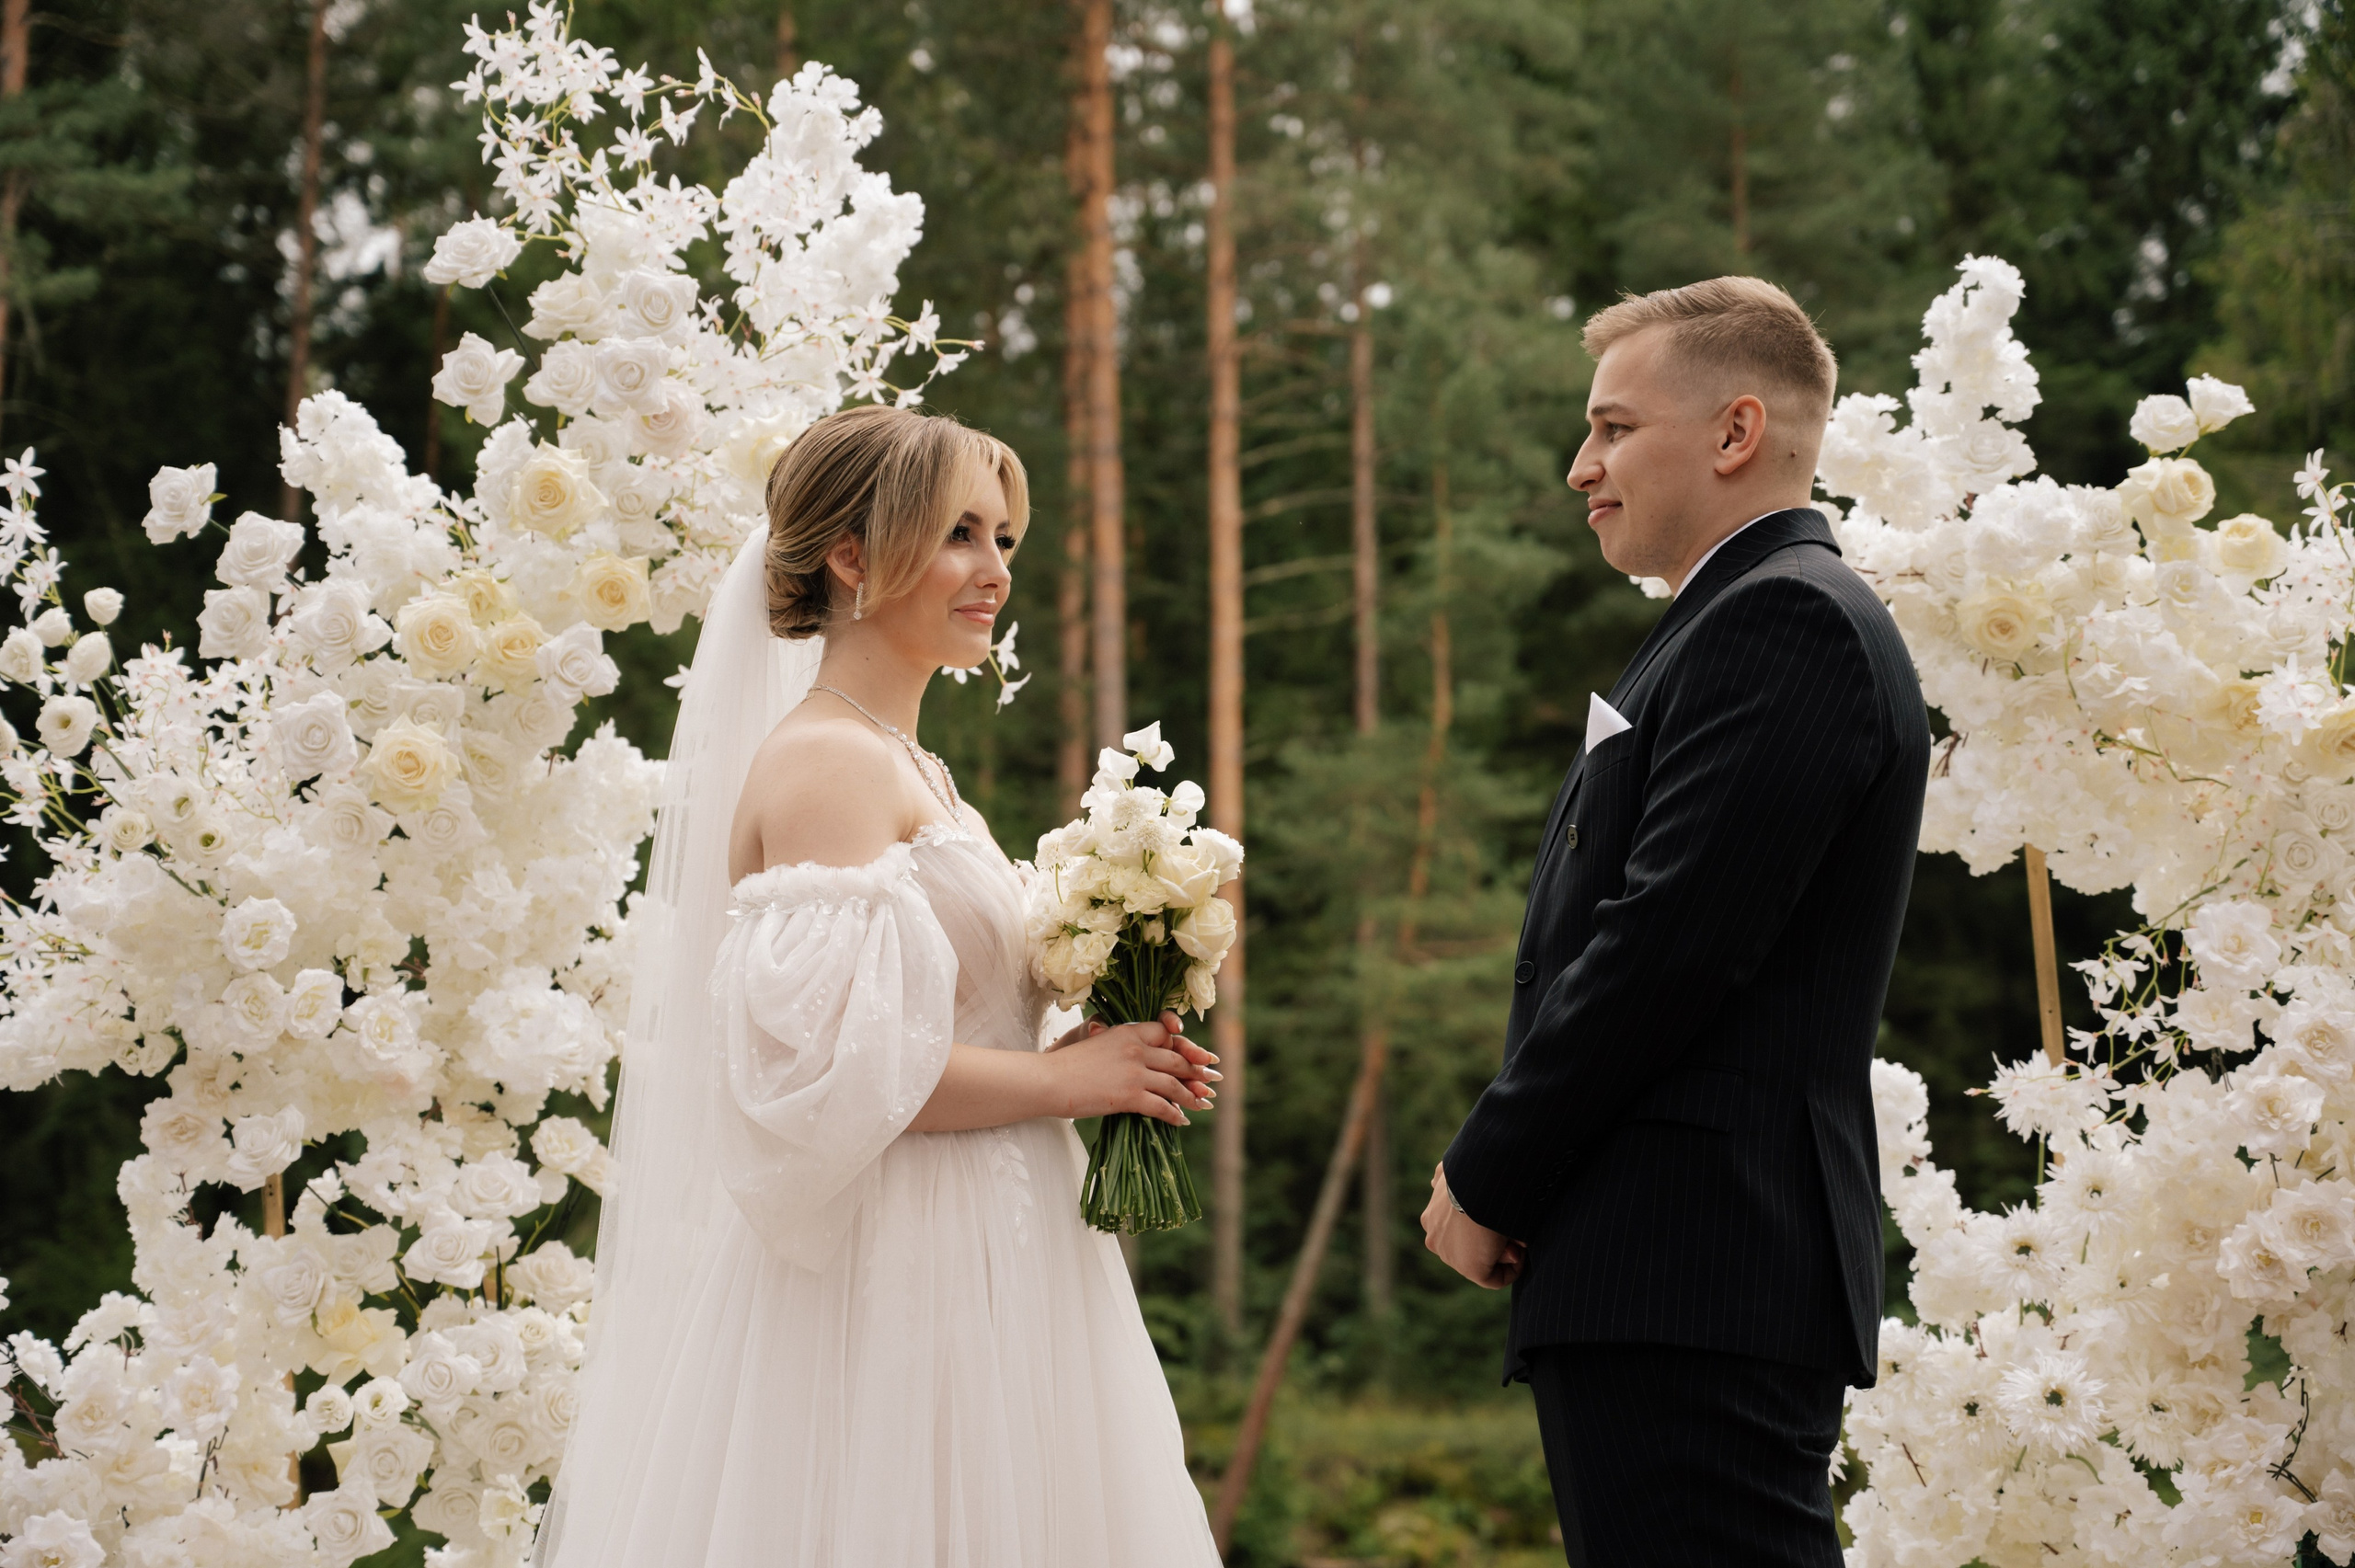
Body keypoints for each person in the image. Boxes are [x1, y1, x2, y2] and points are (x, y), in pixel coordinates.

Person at [536, 405, 1224, 1567]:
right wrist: (1070, 1084)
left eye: (1002, 538)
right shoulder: (826, 764)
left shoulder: (913, 766)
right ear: (852, 556)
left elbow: (926, 1020)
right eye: (960, 535)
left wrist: (1091, 1039)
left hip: (1005, 1238)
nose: (994, 572)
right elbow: (830, 1077)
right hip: (900, 1260)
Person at [1420, 278, 1931, 1566]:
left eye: (1611, 428)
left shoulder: (1785, 620)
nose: (1580, 466)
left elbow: (1670, 945)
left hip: (1695, 1262)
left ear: (1734, 430)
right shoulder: (1727, 620)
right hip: (1670, 1267)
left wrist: (1490, 1169)